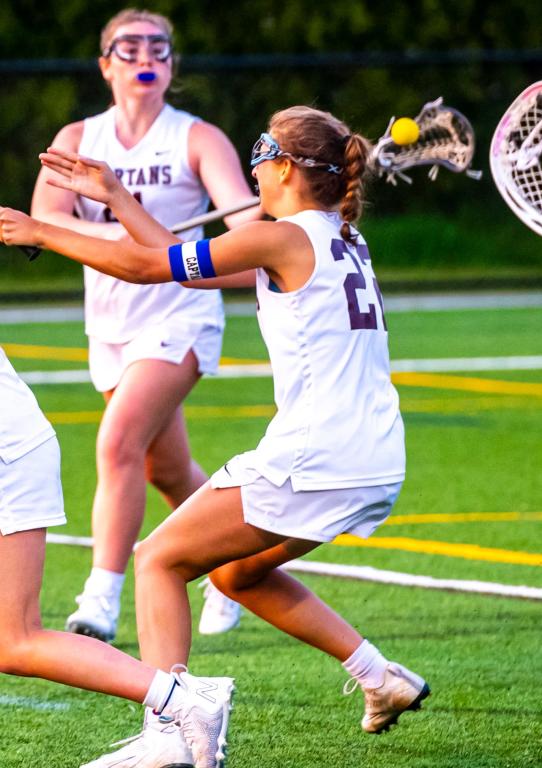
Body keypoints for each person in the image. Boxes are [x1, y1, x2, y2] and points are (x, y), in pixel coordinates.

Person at [0, 103, 430, 763]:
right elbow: (171, 256)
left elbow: (146, 269)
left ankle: (168, 735)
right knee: (233, 576)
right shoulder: (332, 238)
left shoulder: (279, 238)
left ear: (285, 167)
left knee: (159, 560)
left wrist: (42, 230)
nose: (253, 162)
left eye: (262, 148)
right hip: (371, 456)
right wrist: (115, 194)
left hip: (316, 453)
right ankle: (379, 676)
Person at [29, 7, 252, 643]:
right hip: (109, 320)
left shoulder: (199, 138)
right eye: (129, 47)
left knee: (116, 440)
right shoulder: (77, 140)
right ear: (106, 65)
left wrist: (268, 231)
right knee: (166, 470)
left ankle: (101, 596)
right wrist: (118, 234)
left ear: (171, 64)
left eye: (159, 46)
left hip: (179, 312)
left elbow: (243, 228)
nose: (146, 55)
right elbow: (47, 217)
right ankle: (229, 566)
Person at [0, 339, 232, 768]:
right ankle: (178, 708)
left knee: (15, 641)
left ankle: (181, 701)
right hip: (15, 447)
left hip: (8, 456)